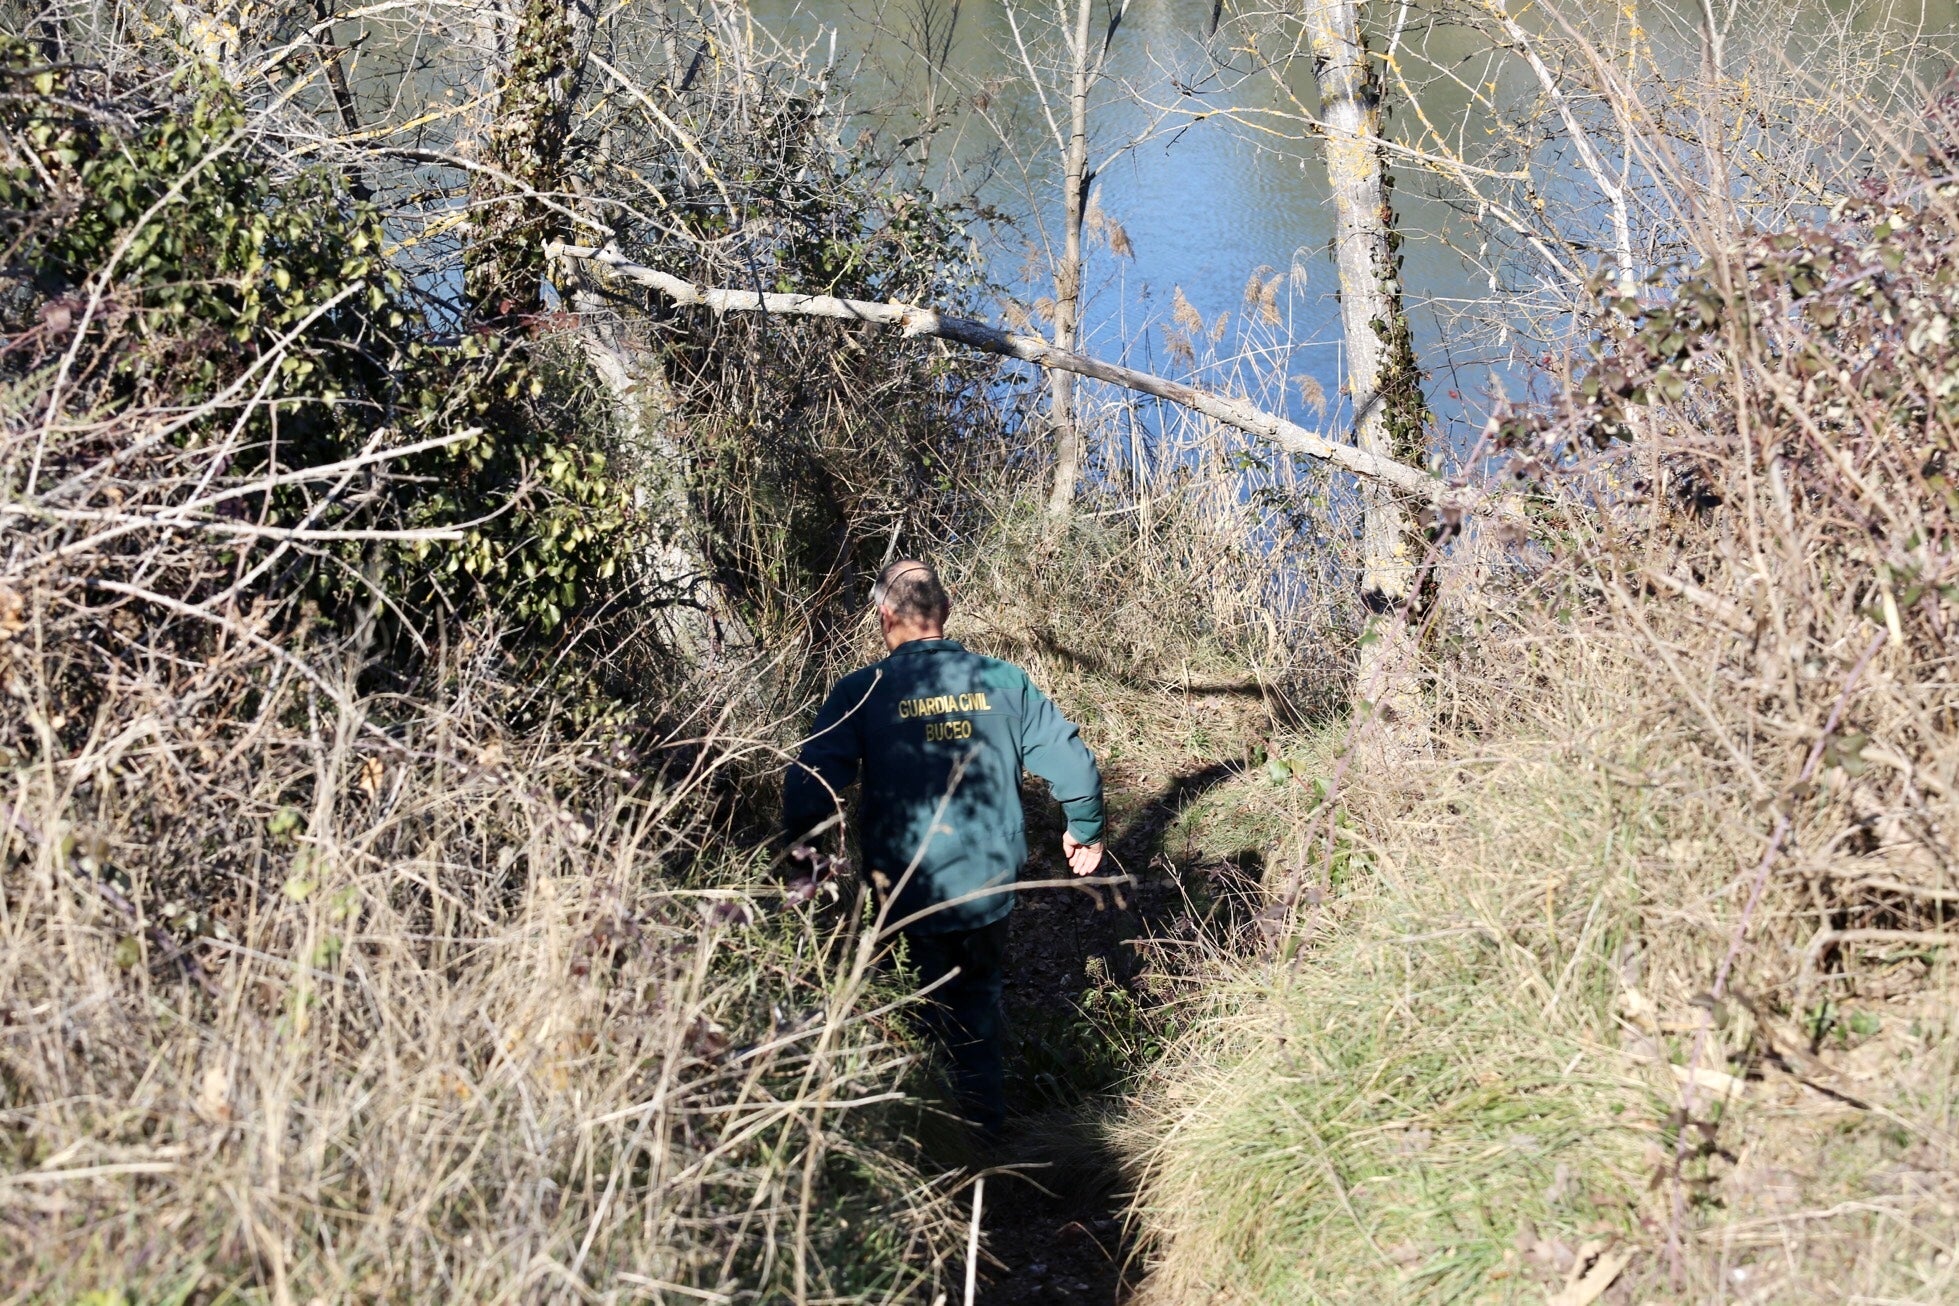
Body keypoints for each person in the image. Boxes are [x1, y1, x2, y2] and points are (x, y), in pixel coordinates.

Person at [781, 559, 1105, 1137]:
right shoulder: (1005, 681)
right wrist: (1083, 828)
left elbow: (808, 785)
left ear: (886, 615)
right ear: (945, 612)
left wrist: (808, 865)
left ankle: (929, 1144)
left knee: (910, 1008)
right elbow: (1075, 767)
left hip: (903, 886)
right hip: (989, 882)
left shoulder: (864, 691)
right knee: (975, 1004)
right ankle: (983, 1132)